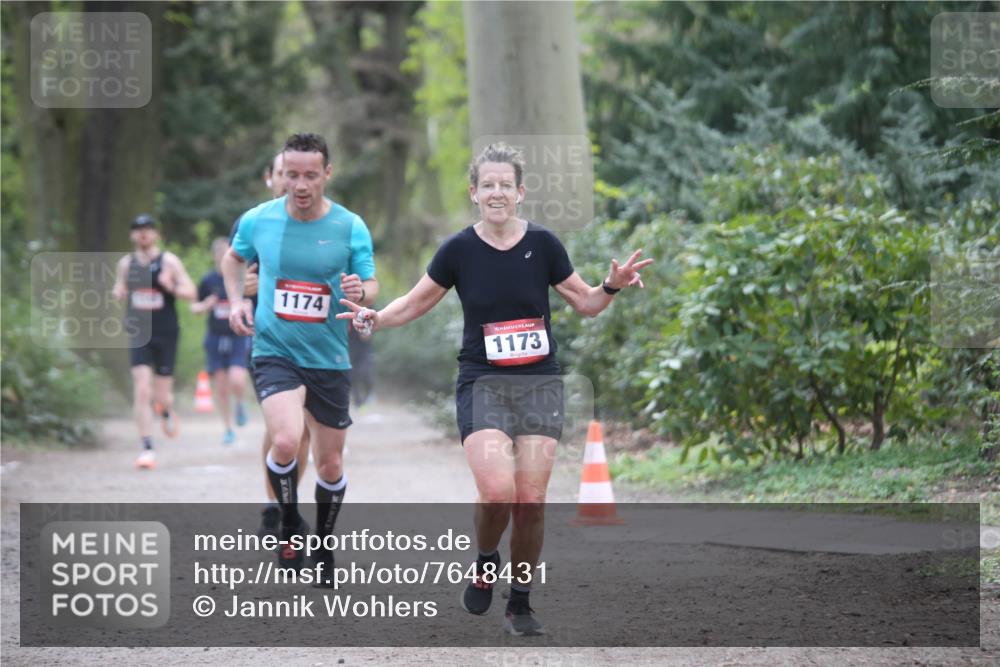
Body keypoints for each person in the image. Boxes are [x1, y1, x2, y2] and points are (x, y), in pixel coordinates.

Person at [338, 143, 652, 636]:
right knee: (496, 491)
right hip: (483, 382)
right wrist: (374, 318)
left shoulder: (544, 245)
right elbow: (415, 303)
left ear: (521, 192)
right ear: (474, 192)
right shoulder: (459, 250)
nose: (497, 192)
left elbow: (587, 303)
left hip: (539, 383)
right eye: (488, 184)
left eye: (506, 184)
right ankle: (487, 561)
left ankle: (520, 602)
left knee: (530, 500)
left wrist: (610, 285)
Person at [222, 132, 379, 575]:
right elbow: (232, 261)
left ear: (327, 174)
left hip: (329, 356)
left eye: (311, 175)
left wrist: (359, 290)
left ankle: (325, 546)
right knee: (287, 440)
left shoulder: (350, 226)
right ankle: (289, 522)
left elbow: (370, 284)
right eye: (292, 175)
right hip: (274, 350)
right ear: (279, 175)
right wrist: (236, 300)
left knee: (330, 463)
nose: (301, 184)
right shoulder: (258, 220)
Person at [232, 152, 314, 540]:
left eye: (297, 175)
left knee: (307, 431)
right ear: (271, 178)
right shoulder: (254, 221)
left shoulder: (324, 220)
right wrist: (242, 295)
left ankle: (287, 502)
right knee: (282, 427)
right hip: (268, 340)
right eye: (283, 174)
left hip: (315, 340)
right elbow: (235, 272)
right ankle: (275, 505)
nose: (290, 182)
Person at [112, 214, 197, 469]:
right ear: (132, 235)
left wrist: (169, 286)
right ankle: (147, 447)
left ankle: (167, 411)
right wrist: (119, 292)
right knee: (142, 387)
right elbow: (120, 288)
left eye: (148, 229)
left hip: (166, 332)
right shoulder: (126, 264)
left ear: (156, 234)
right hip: (139, 332)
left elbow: (191, 292)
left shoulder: (168, 261)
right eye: (138, 230)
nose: (143, 234)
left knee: (162, 395)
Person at [191, 238, 253, 445]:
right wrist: (206, 305)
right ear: (215, 256)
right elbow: (195, 308)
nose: (223, 256)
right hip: (215, 337)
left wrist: (247, 305)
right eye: (220, 253)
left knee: (237, 378)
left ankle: (241, 403)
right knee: (221, 386)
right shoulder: (208, 280)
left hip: (238, 334)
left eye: (228, 253)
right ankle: (228, 428)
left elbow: (255, 305)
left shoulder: (243, 279)